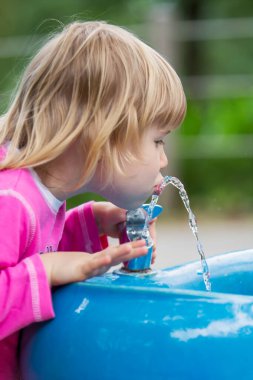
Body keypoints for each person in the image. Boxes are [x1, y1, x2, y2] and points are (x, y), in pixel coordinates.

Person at [0, 21, 186, 379]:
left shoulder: (37, 194)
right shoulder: (11, 200)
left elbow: (23, 253)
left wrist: (88, 223)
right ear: (103, 131)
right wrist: (47, 271)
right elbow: (32, 265)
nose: (163, 160)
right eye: (158, 140)